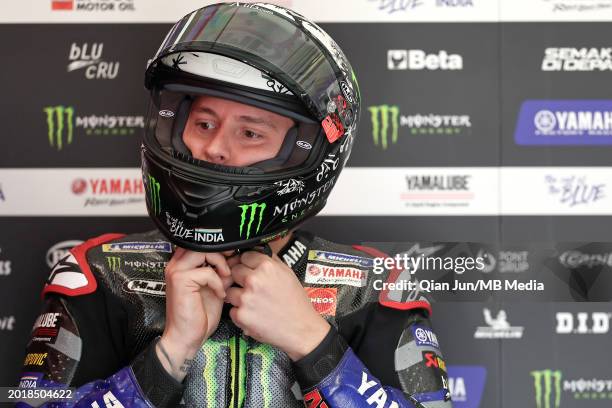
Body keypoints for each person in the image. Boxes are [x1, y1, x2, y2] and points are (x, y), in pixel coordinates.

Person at [17, 3, 452, 407]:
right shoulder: (101, 275)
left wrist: (313, 343)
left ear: (306, 152)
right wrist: (170, 354)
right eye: (203, 123)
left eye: (250, 133)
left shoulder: (372, 289)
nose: (215, 148)